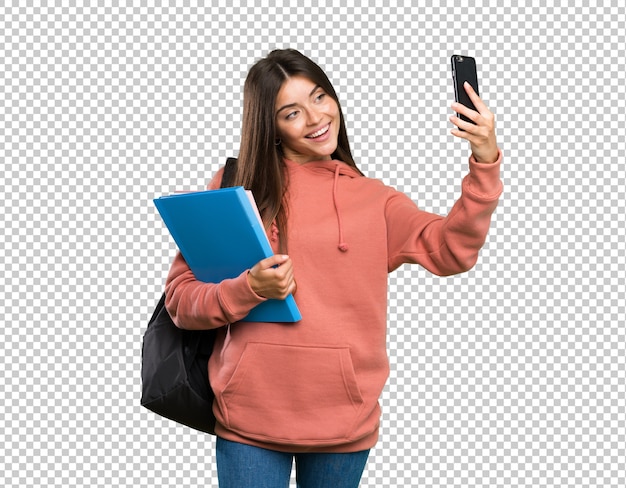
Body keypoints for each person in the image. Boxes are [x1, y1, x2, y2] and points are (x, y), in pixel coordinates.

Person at [164, 49, 503, 488]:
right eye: (291, 112)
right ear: (272, 128)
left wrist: (484, 161)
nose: (315, 118)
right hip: (249, 416)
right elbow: (181, 301)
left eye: (320, 97)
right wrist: (248, 288)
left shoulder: (375, 200)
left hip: (345, 421)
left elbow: (452, 250)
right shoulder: (234, 190)